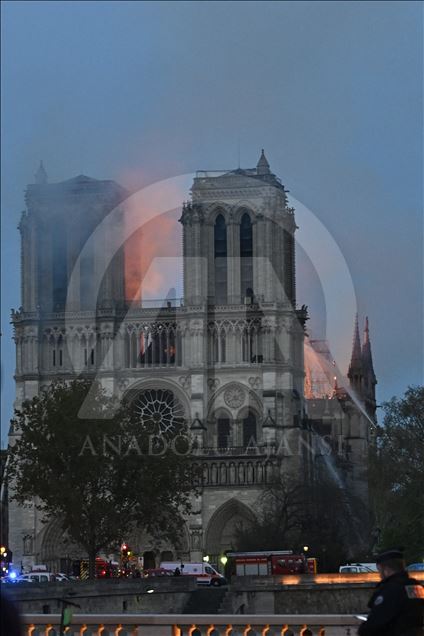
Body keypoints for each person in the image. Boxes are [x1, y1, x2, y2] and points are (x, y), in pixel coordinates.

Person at [358, 548, 423, 635]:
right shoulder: (417, 587)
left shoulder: (391, 590)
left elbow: (375, 623)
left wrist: (363, 630)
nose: (380, 576)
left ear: (386, 570)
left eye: (380, 571)